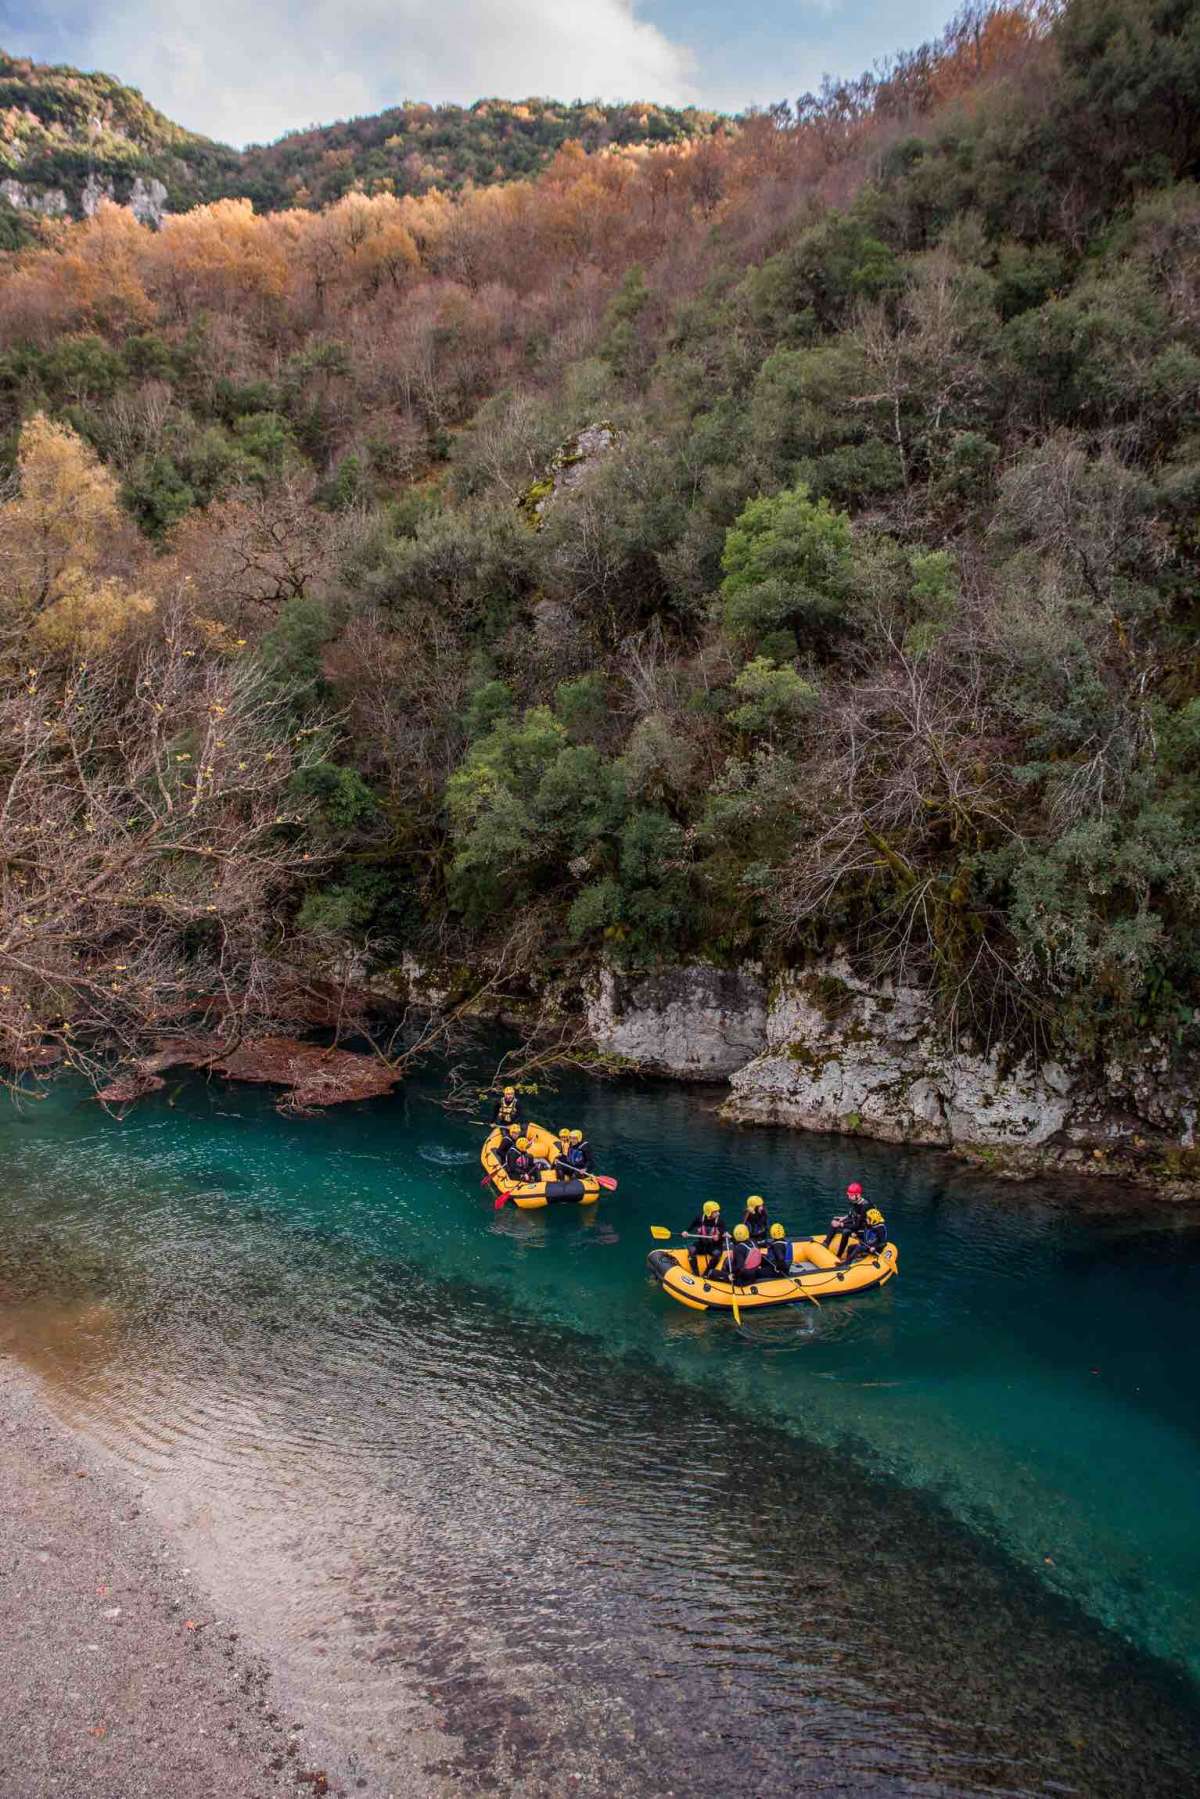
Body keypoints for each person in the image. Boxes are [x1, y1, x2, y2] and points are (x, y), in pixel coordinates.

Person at [824, 1182, 869, 1259]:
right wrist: (843, 1218)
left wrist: (841, 1225)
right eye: (848, 1195)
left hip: (862, 1229)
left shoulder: (865, 1207)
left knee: (845, 1231)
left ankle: (839, 1255)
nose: (849, 1197)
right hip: (855, 1222)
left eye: (851, 1195)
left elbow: (858, 1225)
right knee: (835, 1220)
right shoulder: (855, 1201)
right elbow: (852, 1214)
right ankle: (826, 1243)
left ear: (858, 1195)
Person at [686, 1200, 724, 1274]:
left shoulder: (720, 1221)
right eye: (715, 1212)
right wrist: (686, 1232)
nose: (718, 1213)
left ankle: (706, 1274)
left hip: (715, 1246)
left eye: (718, 1211)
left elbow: (723, 1232)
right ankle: (695, 1273)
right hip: (702, 1245)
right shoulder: (700, 1218)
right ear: (709, 1213)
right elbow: (692, 1226)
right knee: (691, 1250)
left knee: (717, 1254)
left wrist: (719, 1236)